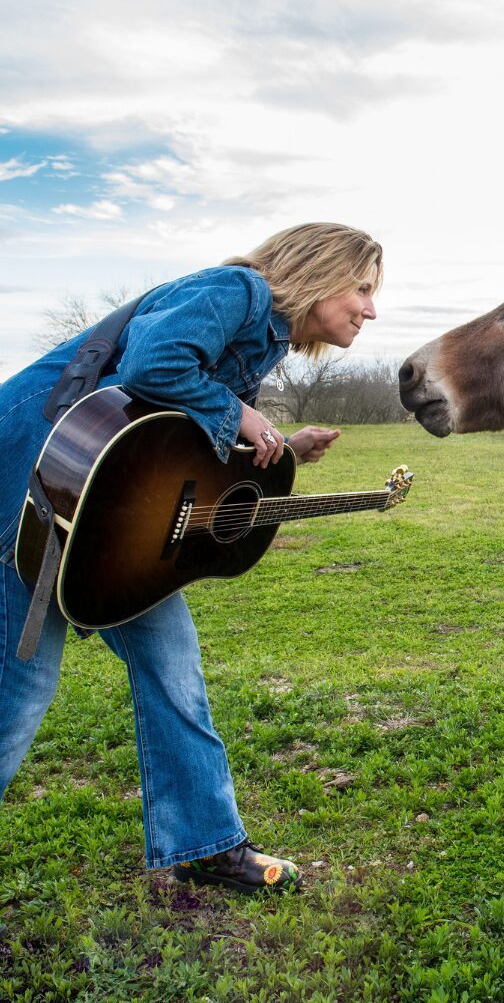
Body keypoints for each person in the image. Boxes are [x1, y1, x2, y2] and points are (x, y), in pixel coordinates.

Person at [0, 223, 381, 894]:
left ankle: (206, 844)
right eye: (362, 288)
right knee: (21, 688)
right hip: (40, 485)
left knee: (173, 665)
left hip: (116, 514)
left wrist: (279, 440)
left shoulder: (264, 339)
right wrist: (240, 414)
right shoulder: (237, 291)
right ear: (322, 272)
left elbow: (171, 431)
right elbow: (154, 364)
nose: (370, 309)